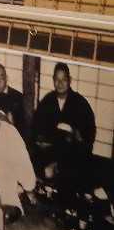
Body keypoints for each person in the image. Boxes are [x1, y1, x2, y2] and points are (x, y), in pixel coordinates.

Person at [32, 62, 96, 192]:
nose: (60, 83)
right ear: (53, 80)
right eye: (57, 79)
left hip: (71, 152)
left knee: (77, 166)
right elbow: (36, 126)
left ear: (70, 80)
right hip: (50, 150)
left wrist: (75, 133)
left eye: (64, 79)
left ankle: (58, 179)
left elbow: (89, 133)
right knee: (34, 157)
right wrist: (40, 140)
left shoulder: (80, 103)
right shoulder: (47, 100)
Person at [0, 109, 37, 227]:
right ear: (9, 117)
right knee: (20, 203)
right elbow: (27, 175)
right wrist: (30, 191)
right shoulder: (11, 131)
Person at [0, 63, 25, 139]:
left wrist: (11, 123)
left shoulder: (18, 97)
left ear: (6, 78)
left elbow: (23, 127)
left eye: (1, 78)